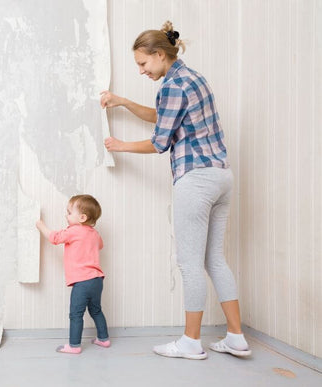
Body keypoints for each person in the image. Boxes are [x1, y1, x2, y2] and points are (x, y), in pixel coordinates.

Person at [100, 21, 251, 360]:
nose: (141, 71)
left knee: (189, 262)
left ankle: (191, 341)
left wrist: (119, 146)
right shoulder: (194, 78)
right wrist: (123, 102)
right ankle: (237, 337)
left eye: (143, 64)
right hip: (221, 176)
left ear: (158, 55)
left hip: (195, 179)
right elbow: (163, 116)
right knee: (214, 259)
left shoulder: (171, 87)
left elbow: (159, 142)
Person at [36, 194, 110, 354]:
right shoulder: (95, 234)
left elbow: (55, 238)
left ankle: (74, 345)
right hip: (97, 280)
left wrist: (41, 225)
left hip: (82, 281)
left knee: (76, 314)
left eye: (69, 213)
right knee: (96, 310)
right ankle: (104, 339)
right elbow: (100, 245)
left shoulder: (74, 231)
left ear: (82, 217)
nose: (66, 215)